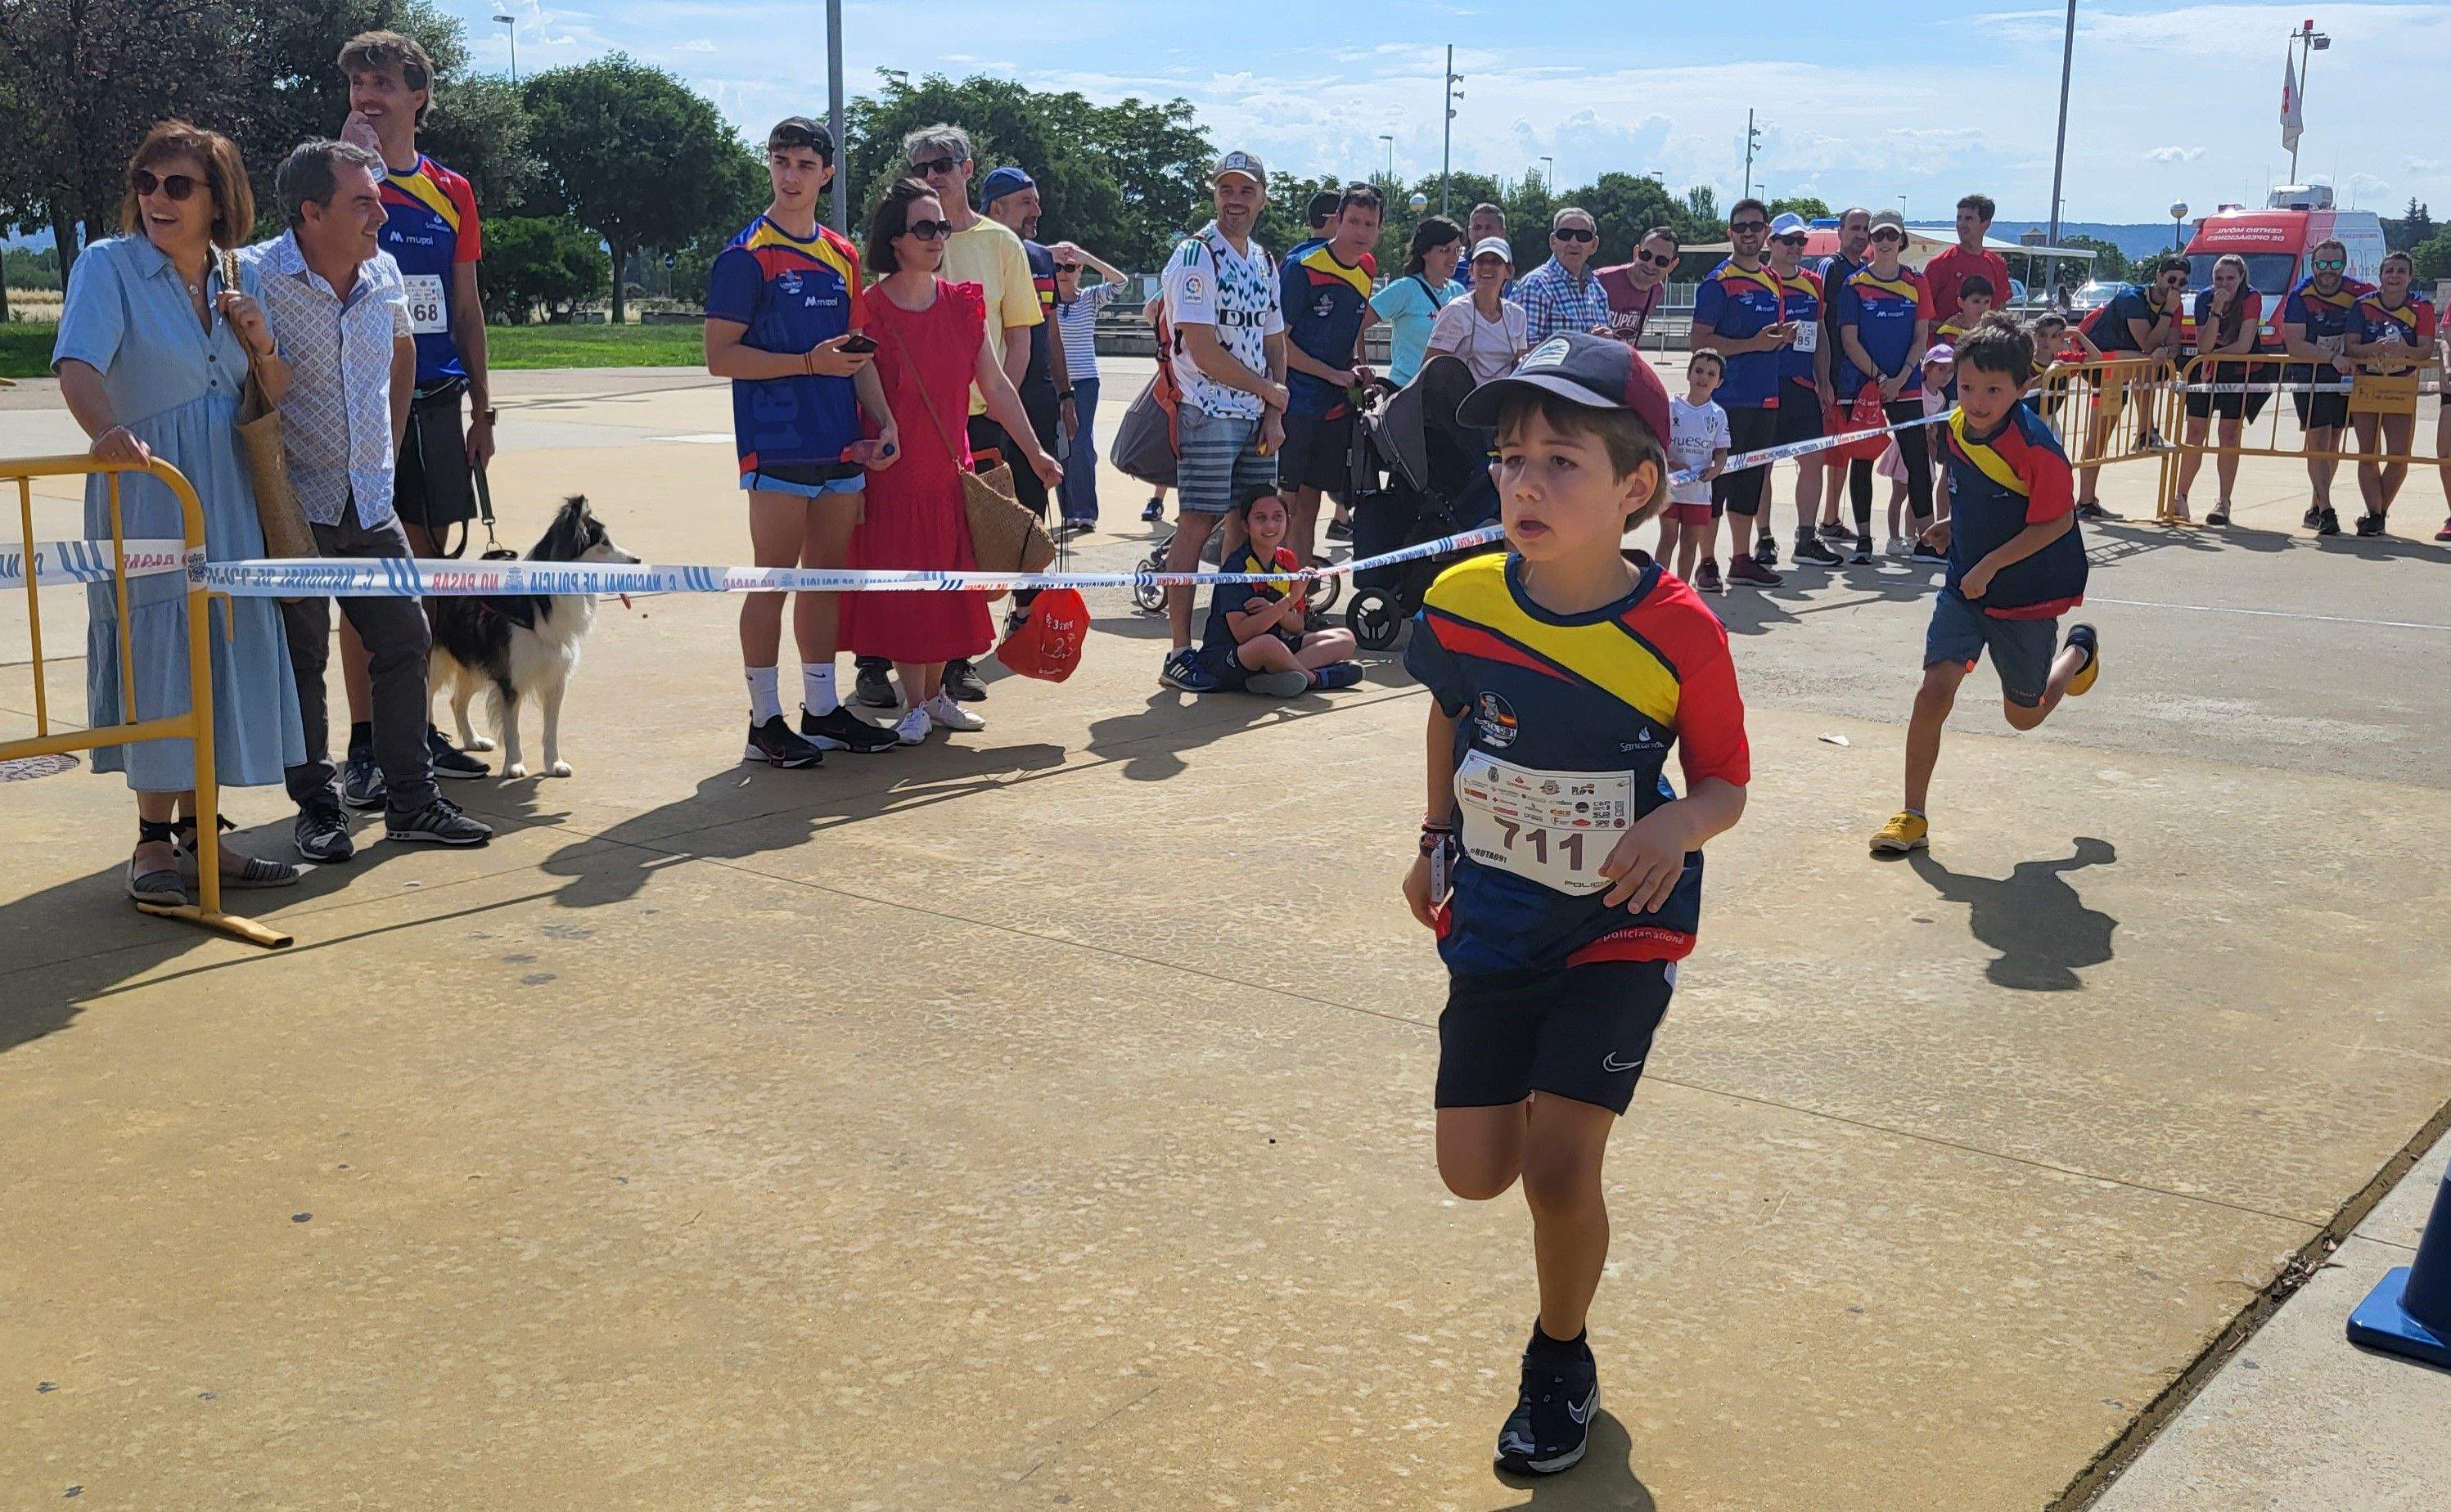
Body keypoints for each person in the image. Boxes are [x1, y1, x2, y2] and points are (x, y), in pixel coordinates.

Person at [1399, 331, 1749, 1479]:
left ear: (1634, 488)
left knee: (1557, 1168)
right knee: (1470, 1172)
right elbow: (1449, 712)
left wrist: (1674, 825)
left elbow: (1723, 783)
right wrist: (1432, 836)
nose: (1524, 484)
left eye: (1559, 461)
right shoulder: (1458, 599)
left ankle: (1559, 1362)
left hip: (1620, 918)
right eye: (1508, 460)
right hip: (1494, 918)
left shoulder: (1680, 630)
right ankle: (1556, 1306)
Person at [52, 122, 309, 903]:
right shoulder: (110, 265)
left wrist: (262, 343)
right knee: (162, 649)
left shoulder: (240, 278)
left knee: (222, 643)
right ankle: (152, 846)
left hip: (228, 490)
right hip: (150, 488)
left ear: (217, 200)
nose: (155, 198)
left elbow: (277, 392)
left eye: (176, 186)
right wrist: (105, 430)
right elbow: (75, 365)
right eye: (145, 182)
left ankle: (207, 836)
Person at [243, 136, 495, 857]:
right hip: (294, 504)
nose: (380, 216)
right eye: (362, 202)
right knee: (303, 656)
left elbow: (403, 349)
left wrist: (385, 443)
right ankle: (318, 809)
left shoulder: (382, 269)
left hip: (369, 498)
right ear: (311, 211)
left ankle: (412, 802)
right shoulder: (257, 275)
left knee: (405, 639)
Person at [703, 116, 900, 767]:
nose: (790, 176)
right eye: (780, 161)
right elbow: (720, 356)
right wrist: (807, 365)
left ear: (827, 173)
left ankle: (822, 708)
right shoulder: (745, 254)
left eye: (804, 165)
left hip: (839, 441)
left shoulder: (842, 255)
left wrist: (884, 421)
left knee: (824, 579)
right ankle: (765, 720)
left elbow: (858, 351)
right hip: (777, 441)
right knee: (772, 580)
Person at [839, 178, 1061, 744]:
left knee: (943, 594)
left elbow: (996, 386)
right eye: (924, 227)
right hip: (893, 479)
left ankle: (933, 698)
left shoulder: (962, 305)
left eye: (940, 226)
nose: (938, 236)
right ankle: (915, 703)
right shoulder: (867, 309)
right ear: (895, 239)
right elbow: (855, 393)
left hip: (948, 473)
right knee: (908, 596)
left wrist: (1035, 452)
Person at [1872, 317, 2097, 857]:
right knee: (1932, 694)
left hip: (2024, 598)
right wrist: (1954, 527)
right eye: (1966, 386)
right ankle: (1912, 816)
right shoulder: (1953, 427)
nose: (1975, 400)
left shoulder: (2038, 448)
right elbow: (1975, 488)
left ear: (2022, 388)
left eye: (1993, 390)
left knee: (2023, 716)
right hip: (1963, 590)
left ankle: (2077, 655)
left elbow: (2055, 523)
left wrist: (1991, 564)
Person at [336, 29, 494, 790]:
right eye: (357, 84)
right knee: (365, 580)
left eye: (382, 84)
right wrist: (348, 166)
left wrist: (484, 412)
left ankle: (418, 732)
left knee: (426, 574)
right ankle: (365, 746)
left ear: (417, 95)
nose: (367, 96)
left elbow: (466, 308)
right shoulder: (336, 175)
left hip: (434, 400)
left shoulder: (450, 190)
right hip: (355, 404)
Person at [1156, 151, 1287, 694]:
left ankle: (1227, 640)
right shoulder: (1196, 253)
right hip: (1207, 410)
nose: (1235, 199)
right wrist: (1268, 393)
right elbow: (1204, 350)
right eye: (1226, 189)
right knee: (1196, 524)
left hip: (1252, 414)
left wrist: (1274, 410)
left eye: (1245, 190)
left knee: (1246, 528)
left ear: (1261, 196)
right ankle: (1179, 651)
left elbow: (1274, 338)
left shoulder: (1262, 259)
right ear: (1214, 193)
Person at [1689, 197, 1793, 588]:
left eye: (1755, 227)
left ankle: (1741, 558)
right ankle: (1708, 562)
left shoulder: (1773, 279)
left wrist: (1780, 339)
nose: (1748, 233)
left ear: (1767, 233)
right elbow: (1699, 341)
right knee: (1718, 484)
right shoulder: (1718, 282)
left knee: (1751, 483)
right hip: (1727, 400)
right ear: (1729, 233)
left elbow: (1767, 338)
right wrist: (1753, 344)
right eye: (1741, 227)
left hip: (1766, 396)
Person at [1278, 182, 1382, 559]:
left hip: (1334, 407)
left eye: (1370, 224)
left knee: (1311, 504)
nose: (1361, 232)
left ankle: (1297, 597)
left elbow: (1352, 327)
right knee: (1282, 505)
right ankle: (1267, 592)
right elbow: (1278, 345)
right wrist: (1331, 374)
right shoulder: (1300, 267)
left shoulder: (1367, 268)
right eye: (1354, 221)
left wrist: (1358, 365)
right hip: (1294, 403)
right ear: (1337, 220)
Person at [1835, 213, 1938, 564]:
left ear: (1902, 240)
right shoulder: (1853, 285)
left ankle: (1928, 540)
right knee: (1862, 460)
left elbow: (1921, 337)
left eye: (1891, 235)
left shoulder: (1916, 281)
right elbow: (1849, 341)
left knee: (1917, 460)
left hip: (1906, 383)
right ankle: (1864, 539)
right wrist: (1880, 379)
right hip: (1863, 385)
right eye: (1878, 235)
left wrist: (1901, 376)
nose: (1883, 241)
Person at [1197, 488, 1363, 695]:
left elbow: (1297, 626)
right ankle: (1315, 678)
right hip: (1231, 655)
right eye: (1261, 518)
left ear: (1287, 521)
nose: (1270, 525)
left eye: (1278, 517)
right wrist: (1288, 601)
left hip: (1276, 645)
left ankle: (1276, 676)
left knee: (1345, 638)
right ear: (1246, 526)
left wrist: (1274, 609)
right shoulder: (1236, 567)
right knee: (1268, 644)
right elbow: (1242, 634)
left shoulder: (1287, 559)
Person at [2075, 254, 2187, 516]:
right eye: (2171, 279)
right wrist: (2168, 314)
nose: (2175, 286)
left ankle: (2087, 500)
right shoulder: (2132, 299)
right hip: (2103, 362)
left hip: (2127, 368)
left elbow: (2172, 345)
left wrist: (2165, 348)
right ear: (2158, 275)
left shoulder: (2175, 304)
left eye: (2181, 282)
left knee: (2104, 430)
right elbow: (2149, 345)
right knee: (2098, 434)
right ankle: (2146, 433)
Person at [2278, 238, 2372, 538]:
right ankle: (2327, 510)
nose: (2327, 271)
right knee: (2317, 442)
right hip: (2310, 374)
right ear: (2312, 265)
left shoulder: (2360, 293)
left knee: (2332, 443)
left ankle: (2315, 505)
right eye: (2321, 264)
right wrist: (2333, 357)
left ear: (2344, 265)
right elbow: (2295, 344)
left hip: (2345, 378)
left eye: (2334, 264)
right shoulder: (2300, 295)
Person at [1765, 212, 1841, 566]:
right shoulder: (1759, 279)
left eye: (1801, 241)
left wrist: (1823, 381)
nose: (1796, 247)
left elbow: (1821, 332)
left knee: (1813, 460)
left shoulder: (1813, 282)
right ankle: (1764, 539)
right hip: (1764, 383)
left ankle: (1807, 538)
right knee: (1761, 464)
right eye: (1788, 241)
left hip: (1802, 385)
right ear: (1771, 243)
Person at [2171, 253, 2268, 526]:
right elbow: (2204, 345)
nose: (2224, 284)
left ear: (2241, 278)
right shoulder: (2204, 298)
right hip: (2205, 368)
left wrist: (2214, 357)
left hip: (2236, 369)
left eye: (2230, 278)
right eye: (2218, 278)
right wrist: (2216, 309)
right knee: (2195, 431)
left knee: (2228, 434)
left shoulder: (2251, 298)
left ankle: (2224, 501)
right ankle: (2181, 496)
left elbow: (2244, 345)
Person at [2345, 250, 2435, 537]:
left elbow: (2424, 349)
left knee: (2399, 456)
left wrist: (2403, 351)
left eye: (2401, 271)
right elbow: (2351, 348)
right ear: (2381, 276)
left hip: (2401, 384)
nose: (2394, 276)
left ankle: (2378, 512)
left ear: (2409, 277)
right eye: (2389, 271)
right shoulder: (2362, 305)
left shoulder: (2421, 307)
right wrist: (2375, 349)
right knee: (2368, 453)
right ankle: (2375, 514)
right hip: (2368, 383)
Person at [1050, 239, 1129, 533]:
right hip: (1057, 381)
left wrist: (1088, 257)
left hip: (1085, 381)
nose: (1064, 272)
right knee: (1062, 446)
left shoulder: (1090, 298)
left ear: (1080, 270)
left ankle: (1086, 510)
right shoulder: (1045, 300)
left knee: (1081, 443)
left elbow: (1120, 283)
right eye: (1058, 267)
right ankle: (1068, 510)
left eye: (1070, 267)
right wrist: (1049, 254)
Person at [1812, 208, 1874, 542]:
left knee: (1846, 453)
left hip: (1857, 379)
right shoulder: (1831, 268)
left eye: (1866, 229)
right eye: (1855, 228)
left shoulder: (1865, 270)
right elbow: (1822, 323)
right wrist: (1825, 378)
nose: (1861, 235)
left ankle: (1832, 516)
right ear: (1840, 231)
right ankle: (1828, 518)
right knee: (1832, 453)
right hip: (1835, 376)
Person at [1371, 215, 1467, 388]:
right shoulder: (1405, 289)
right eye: (1445, 250)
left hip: (1445, 394)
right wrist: (1361, 366)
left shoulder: (1458, 292)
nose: (1453, 258)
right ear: (1425, 251)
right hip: (1406, 391)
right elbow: (1355, 324)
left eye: (1458, 250)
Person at [1660, 349, 1731, 583]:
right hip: (1671, 489)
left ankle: (1681, 588)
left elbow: (1721, 452)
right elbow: (1658, 442)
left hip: (1699, 493)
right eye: (1699, 371)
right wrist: (1668, 461)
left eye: (1711, 374)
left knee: (1689, 541)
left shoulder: (1718, 415)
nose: (1703, 377)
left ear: (1719, 382)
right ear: (1689, 374)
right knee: (1668, 537)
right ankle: (1658, 588)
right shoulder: (1671, 407)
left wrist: (1716, 469)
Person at [1426, 239, 1531, 385]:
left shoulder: (1517, 315)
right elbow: (1429, 371)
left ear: (1509, 271)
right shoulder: (1456, 312)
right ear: (1471, 270)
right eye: (1481, 262)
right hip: (1462, 402)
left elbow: (1521, 367)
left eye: (1496, 261)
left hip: (1504, 401)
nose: (1487, 267)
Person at [1516, 207, 1611, 347]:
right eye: (1565, 235)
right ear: (1553, 242)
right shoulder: (1536, 286)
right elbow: (1525, 355)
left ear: (1594, 245)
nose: (1573, 243)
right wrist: (1583, 346)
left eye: (1583, 236)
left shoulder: (1598, 291)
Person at [1922, 194, 2011, 331]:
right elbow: (1919, 319)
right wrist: (1946, 327)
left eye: (1968, 219)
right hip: (1946, 348)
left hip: (1983, 348)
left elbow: (2001, 314)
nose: (1961, 225)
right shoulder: (1939, 264)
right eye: (1959, 218)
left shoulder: (1998, 264)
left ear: (1985, 224)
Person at [1593, 226, 1678, 348]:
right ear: (1636, 253)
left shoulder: (1656, 290)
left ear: (1672, 265)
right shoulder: (1600, 281)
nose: (1650, 265)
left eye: (1661, 261)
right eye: (1646, 255)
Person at [1468, 202, 1512, 297]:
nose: (1482, 234)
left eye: (1489, 228)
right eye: (1477, 228)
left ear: (1502, 232)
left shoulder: (1505, 266)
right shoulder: (1455, 268)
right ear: (1469, 232)